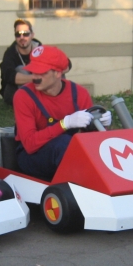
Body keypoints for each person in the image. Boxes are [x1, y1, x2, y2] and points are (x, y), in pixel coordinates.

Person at [14, 46, 111, 180]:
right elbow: (30, 144)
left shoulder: (79, 93)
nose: (34, 78)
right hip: (32, 156)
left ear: (58, 73)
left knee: (70, 145)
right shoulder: (23, 96)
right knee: (64, 144)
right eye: (32, 72)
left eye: (41, 73)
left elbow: (92, 142)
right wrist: (65, 124)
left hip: (67, 152)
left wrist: (100, 124)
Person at [0, 19, 43, 106]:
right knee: (21, 69)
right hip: (14, 90)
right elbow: (9, 76)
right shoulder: (10, 53)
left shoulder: (40, 49)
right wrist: (37, 78)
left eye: (26, 34)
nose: (22, 37)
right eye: (18, 34)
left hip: (40, 87)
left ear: (32, 35)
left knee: (56, 71)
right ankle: (32, 103)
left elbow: (65, 64)